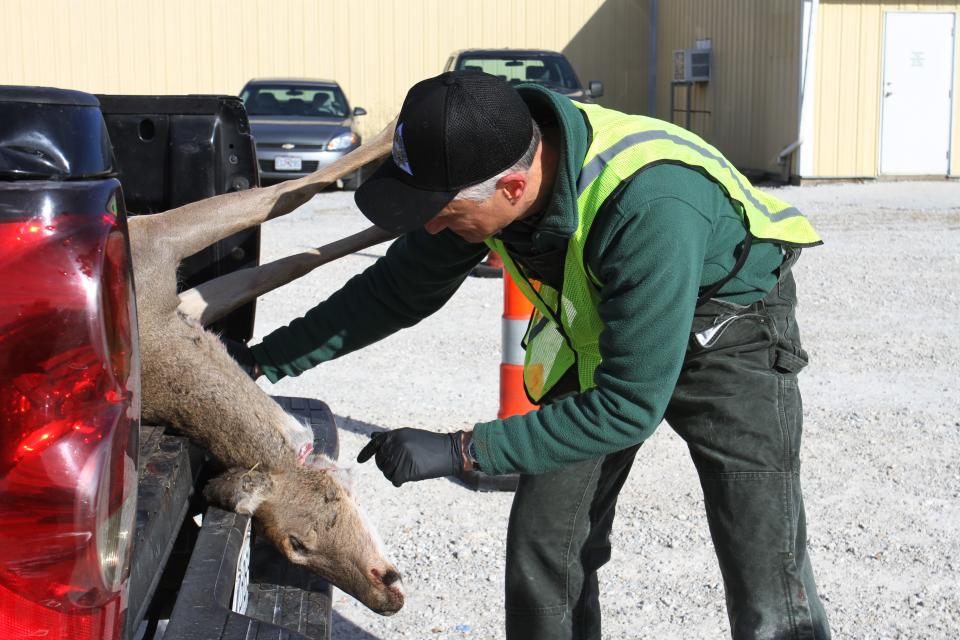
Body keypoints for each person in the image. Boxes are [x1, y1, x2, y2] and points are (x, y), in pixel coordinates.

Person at [236, 70, 831, 640]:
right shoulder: (483, 160)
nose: (436, 230)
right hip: (606, 326)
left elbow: (627, 405)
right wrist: (262, 361)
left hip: (728, 328)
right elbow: (395, 290)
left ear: (513, 188)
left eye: (444, 216)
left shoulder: (649, 205)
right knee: (546, 542)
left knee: (761, 553)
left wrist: (462, 451)